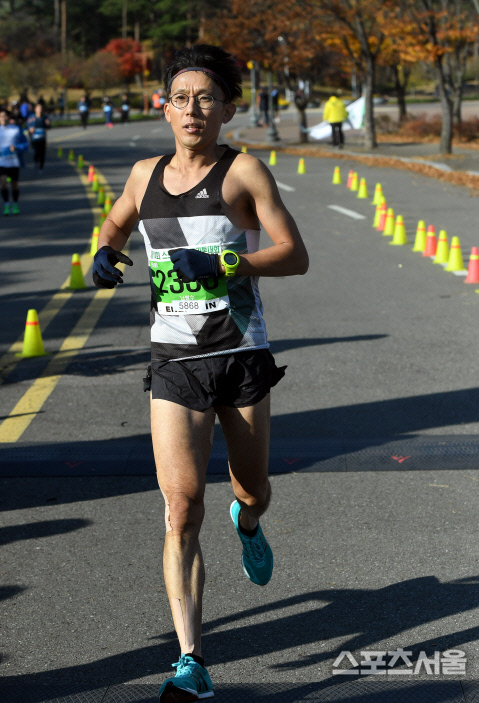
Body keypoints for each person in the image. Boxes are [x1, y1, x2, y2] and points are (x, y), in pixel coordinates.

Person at [92, 43, 308, 702]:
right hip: (174, 361)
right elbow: (116, 223)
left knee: (252, 489)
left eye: (206, 97)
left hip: (239, 352)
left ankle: (249, 523)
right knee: (181, 508)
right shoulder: (141, 175)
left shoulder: (244, 173)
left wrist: (229, 266)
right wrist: (105, 251)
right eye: (181, 97)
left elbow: (294, 255)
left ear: (226, 108)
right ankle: (191, 659)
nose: (192, 109)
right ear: (165, 106)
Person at [0, 108, 28, 214]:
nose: (3, 118)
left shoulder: (16, 129)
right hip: (1, 162)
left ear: (8, 117)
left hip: (14, 161)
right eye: (1, 116)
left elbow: (25, 144)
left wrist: (17, 147)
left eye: (5, 116)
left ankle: (15, 204)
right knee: (3, 182)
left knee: (14, 184)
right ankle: (7, 204)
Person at [27, 103, 51, 171]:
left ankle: (41, 166)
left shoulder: (44, 117)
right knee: (36, 152)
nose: (40, 110)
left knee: (42, 152)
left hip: (42, 138)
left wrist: (48, 124)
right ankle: (36, 161)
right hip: (34, 138)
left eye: (41, 108)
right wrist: (30, 129)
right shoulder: (32, 117)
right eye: (38, 108)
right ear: (35, 109)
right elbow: (28, 126)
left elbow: (48, 127)